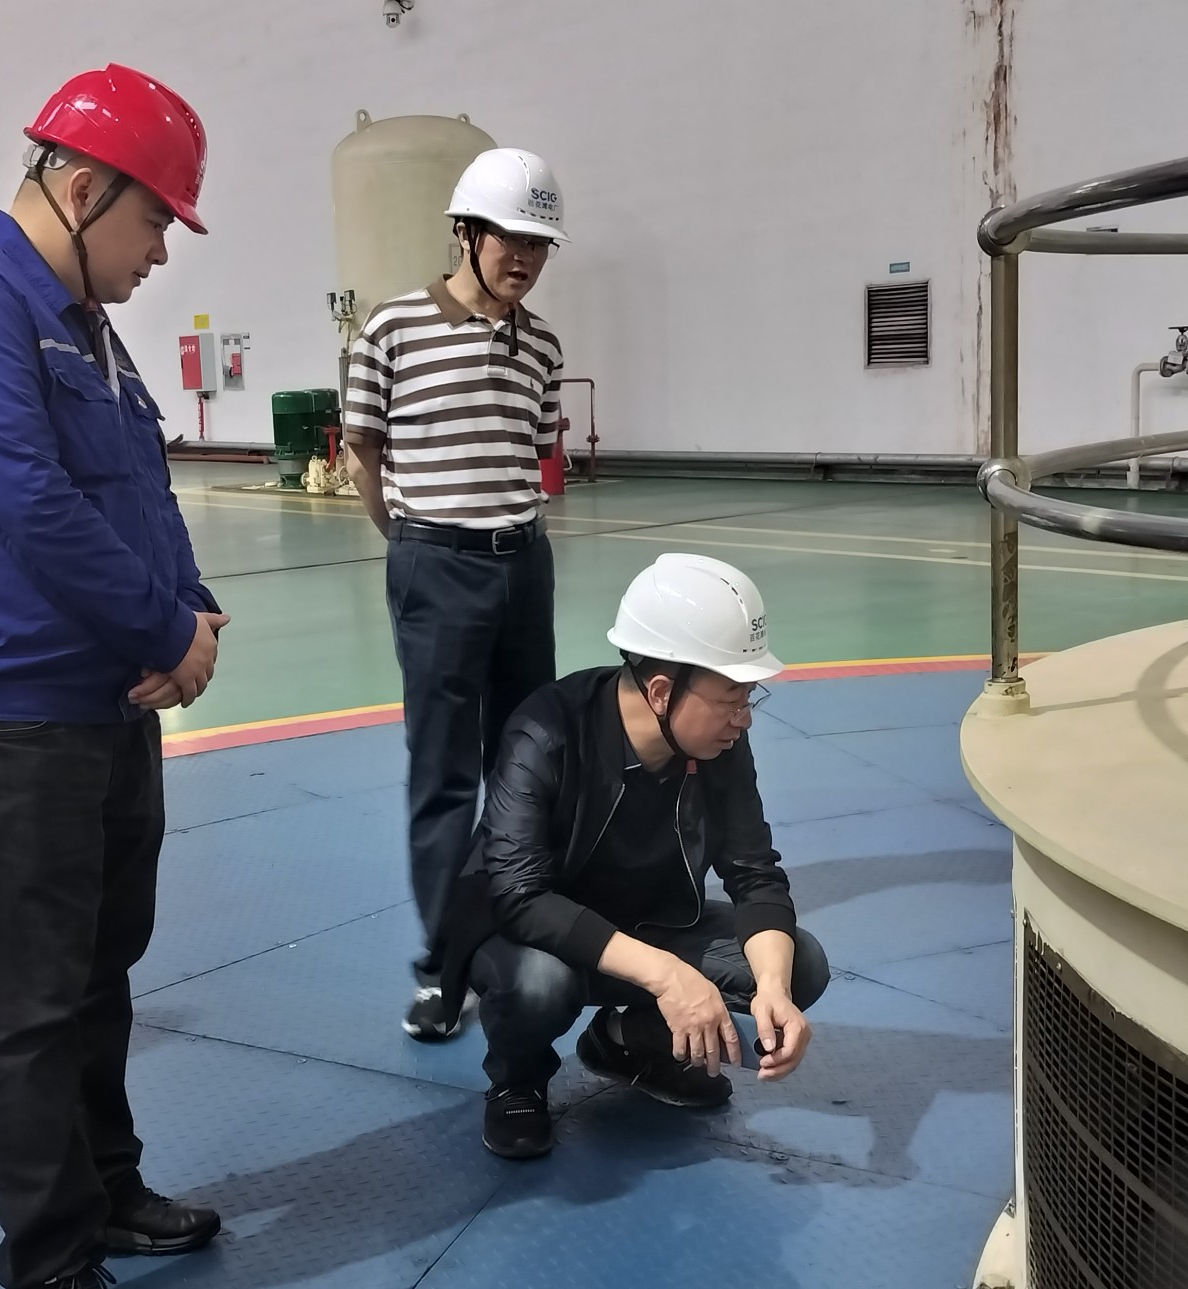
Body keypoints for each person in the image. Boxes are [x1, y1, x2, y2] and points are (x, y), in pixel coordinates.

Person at [0, 64, 227, 1289]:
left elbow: (138, 485)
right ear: (83, 192)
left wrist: (193, 609)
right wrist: (162, 628)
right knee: (29, 998)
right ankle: (50, 1255)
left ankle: (108, 1186)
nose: (160, 253)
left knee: (99, 968)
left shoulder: (85, 326)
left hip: (104, 704)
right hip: (9, 715)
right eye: (154, 223)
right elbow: (28, 502)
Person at [434, 554, 829, 1159]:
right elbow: (521, 896)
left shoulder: (720, 746)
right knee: (539, 984)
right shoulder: (545, 731)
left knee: (802, 964)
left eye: (751, 696)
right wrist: (671, 977)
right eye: (731, 697)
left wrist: (774, 989)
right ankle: (518, 1081)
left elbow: (755, 873)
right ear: (662, 691)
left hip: (648, 925)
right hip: (537, 938)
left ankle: (626, 1042)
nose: (744, 718)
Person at [342, 148, 570, 1040]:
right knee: (444, 774)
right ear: (466, 233)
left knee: (525, 763)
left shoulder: (542, 344)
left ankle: (509, 933)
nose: (524, 258)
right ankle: (444, 969)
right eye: (509, 238)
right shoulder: (391, 328)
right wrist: (412, 541)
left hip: (523, 566)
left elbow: (535, 454)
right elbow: (363, 451)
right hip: (434, 563)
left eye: (538, 244)